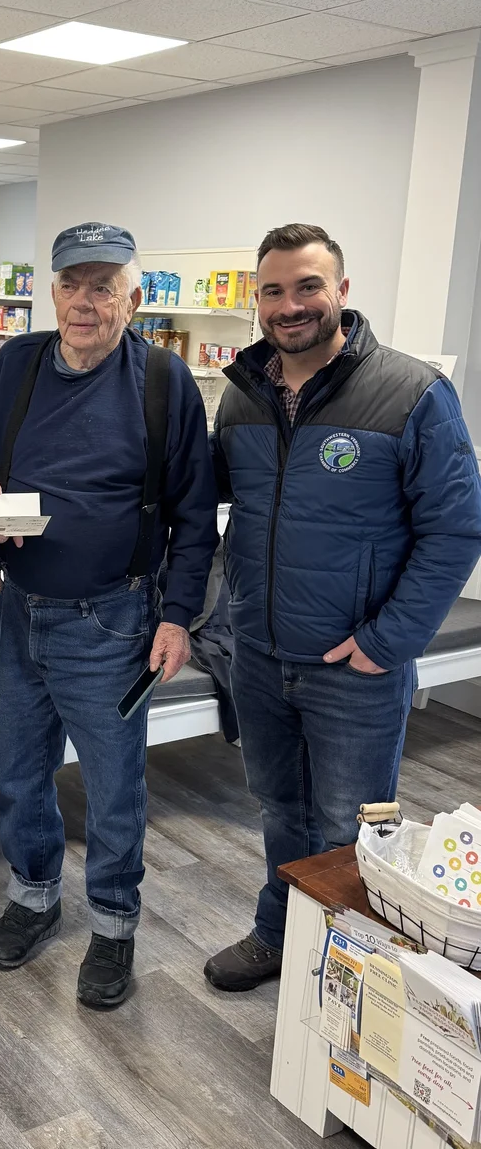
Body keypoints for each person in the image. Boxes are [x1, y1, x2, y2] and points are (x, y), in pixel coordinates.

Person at [204, 223, 481, 992]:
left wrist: (386, 641)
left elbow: (456, 530)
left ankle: (344, 974)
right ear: (258, 301)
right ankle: (279, 932)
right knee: (279, 809)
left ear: (342, 292)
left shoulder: (412, 392)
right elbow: (215, 499)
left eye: (308, 286)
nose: (290, 305)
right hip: (259, 657)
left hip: (353, 669)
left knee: (350, 827)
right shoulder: (243, 395)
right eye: (273, 290)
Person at [0, 223, 218, 1009]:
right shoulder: (17, 364)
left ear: (133, 299)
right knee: (19, 769)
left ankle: (112, 923)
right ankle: (34, 895)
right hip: (17, 609)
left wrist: (178, 617)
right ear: (52, 292)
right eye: (72, 284)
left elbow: (195, 516)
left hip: (113, 619)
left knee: (113, 785)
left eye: (103, 286)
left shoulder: (164, 381)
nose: (85, 301)